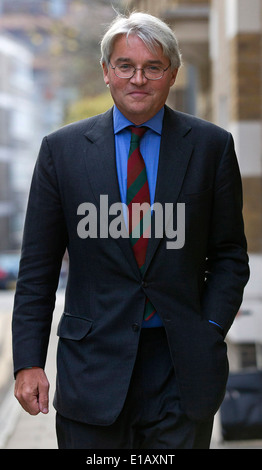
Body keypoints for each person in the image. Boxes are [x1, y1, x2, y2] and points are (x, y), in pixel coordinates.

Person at [12, 12, 249, 449]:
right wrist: (27, 361)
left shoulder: (211, 147)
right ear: (106, 72)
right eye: (125, 65)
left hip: (181, 370)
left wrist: (210, 327)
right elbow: (37, 270)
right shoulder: (60, 152)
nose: (138, 78)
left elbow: (230, 255)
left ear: (172, 73)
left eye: (153, 67)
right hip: (92, 369)